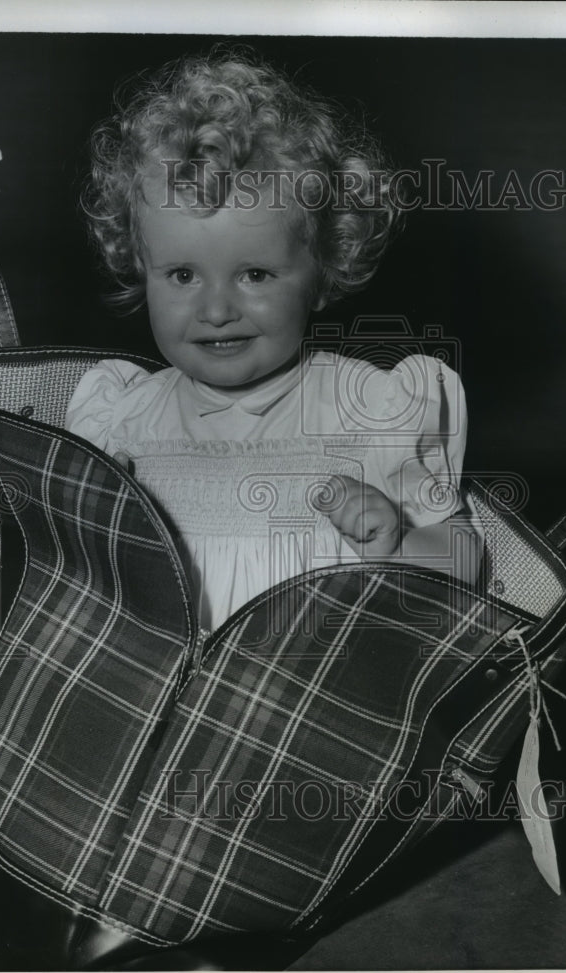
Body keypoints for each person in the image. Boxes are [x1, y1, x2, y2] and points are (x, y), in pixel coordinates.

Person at [66, 49, 482, 632]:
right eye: (182, 275)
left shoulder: (370, 409)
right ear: (140, 266)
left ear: (322, 272)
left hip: (309, 701)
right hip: (150, 701)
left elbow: (466, 563)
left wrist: (394, 543)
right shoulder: (120, 419)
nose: (215, 310)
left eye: (255, 275)